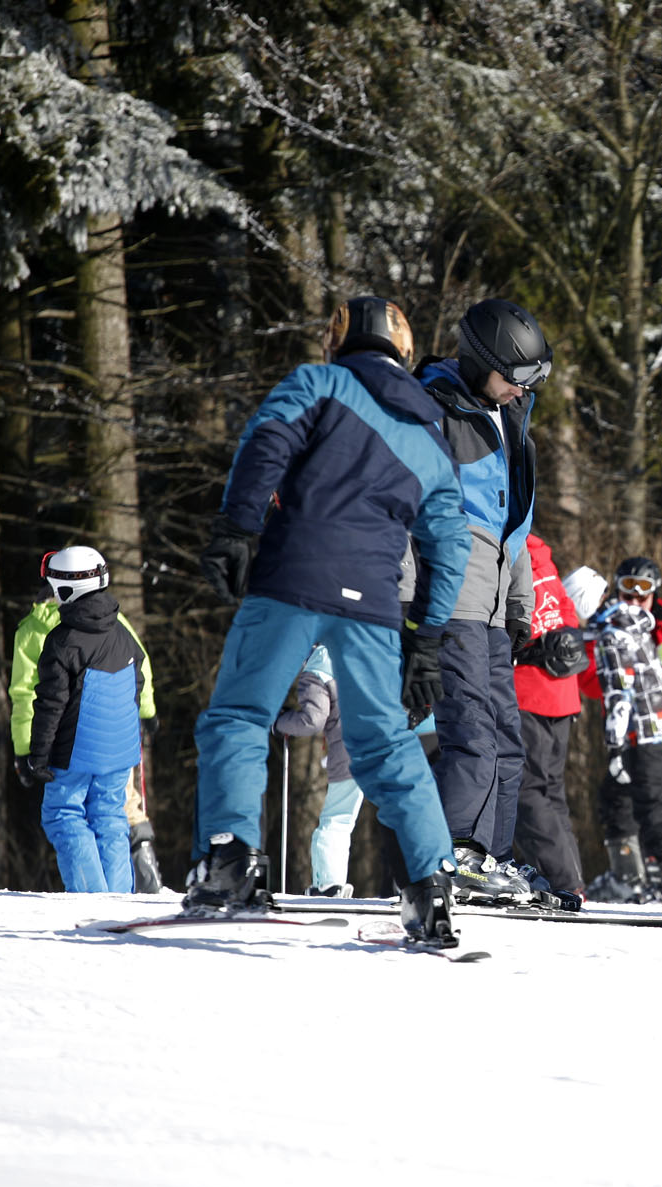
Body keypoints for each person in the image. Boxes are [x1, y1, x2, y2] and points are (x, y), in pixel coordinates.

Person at [189, 296, 472, 947]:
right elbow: (451, 544)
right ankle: (431, 888)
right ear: (404, 350)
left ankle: (231, 864)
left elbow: (268, 438)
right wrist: (426, 638)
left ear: (337, 340)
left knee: (239, 717)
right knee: (385, 742)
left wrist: (237, 527)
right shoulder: (431, 437)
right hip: (373, 602)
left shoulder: (320, 383)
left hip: (291, 578)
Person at [410, 298, 551, 903]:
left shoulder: (505, 416)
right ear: (479, 361)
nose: (524, 389)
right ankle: (455, 853)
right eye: (515, 376)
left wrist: (520, 603)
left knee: (508, 740)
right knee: (471, 730)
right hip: (453, 597)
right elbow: (410, 511)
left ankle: (490, 857)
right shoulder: (433, 410)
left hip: (492, 604)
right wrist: (414, 608)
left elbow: (513, 523)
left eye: (532, 379)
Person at [11, 552, 162, 892]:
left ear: (64, 589)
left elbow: (49, 703)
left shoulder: (61, 640)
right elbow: (138, 680)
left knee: (62, 814)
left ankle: (92, 899)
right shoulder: (121, 631)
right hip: (120, 750)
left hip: (74, 752)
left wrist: (38, 754)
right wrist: (138, 721)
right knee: (110, 816)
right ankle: (119, 899)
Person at [578, 556, 662, 902]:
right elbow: (589, 681)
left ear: (655, 593)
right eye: (628, 591)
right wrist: (615, 673)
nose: (636, 600)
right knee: (624, 801)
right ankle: (631, 876)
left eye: (644, 593)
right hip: (631, 734)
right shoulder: (607, 625)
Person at [510, 534, 590, 899]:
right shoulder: (543, 557)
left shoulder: (507, 553)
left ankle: (561, 881)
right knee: (551, 791)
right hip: (563, 692)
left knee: (528, 790)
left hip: (531, 692)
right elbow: (568, 615)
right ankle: (571, 879)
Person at [273, 644, 360, 897]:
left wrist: (279, 722)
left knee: (337, 818)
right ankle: (421, 879)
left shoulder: (317, 669)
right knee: (398, 814)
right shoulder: (359, 649)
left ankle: (328, 884)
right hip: (388, 747)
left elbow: (312, 720)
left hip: (352, 754)